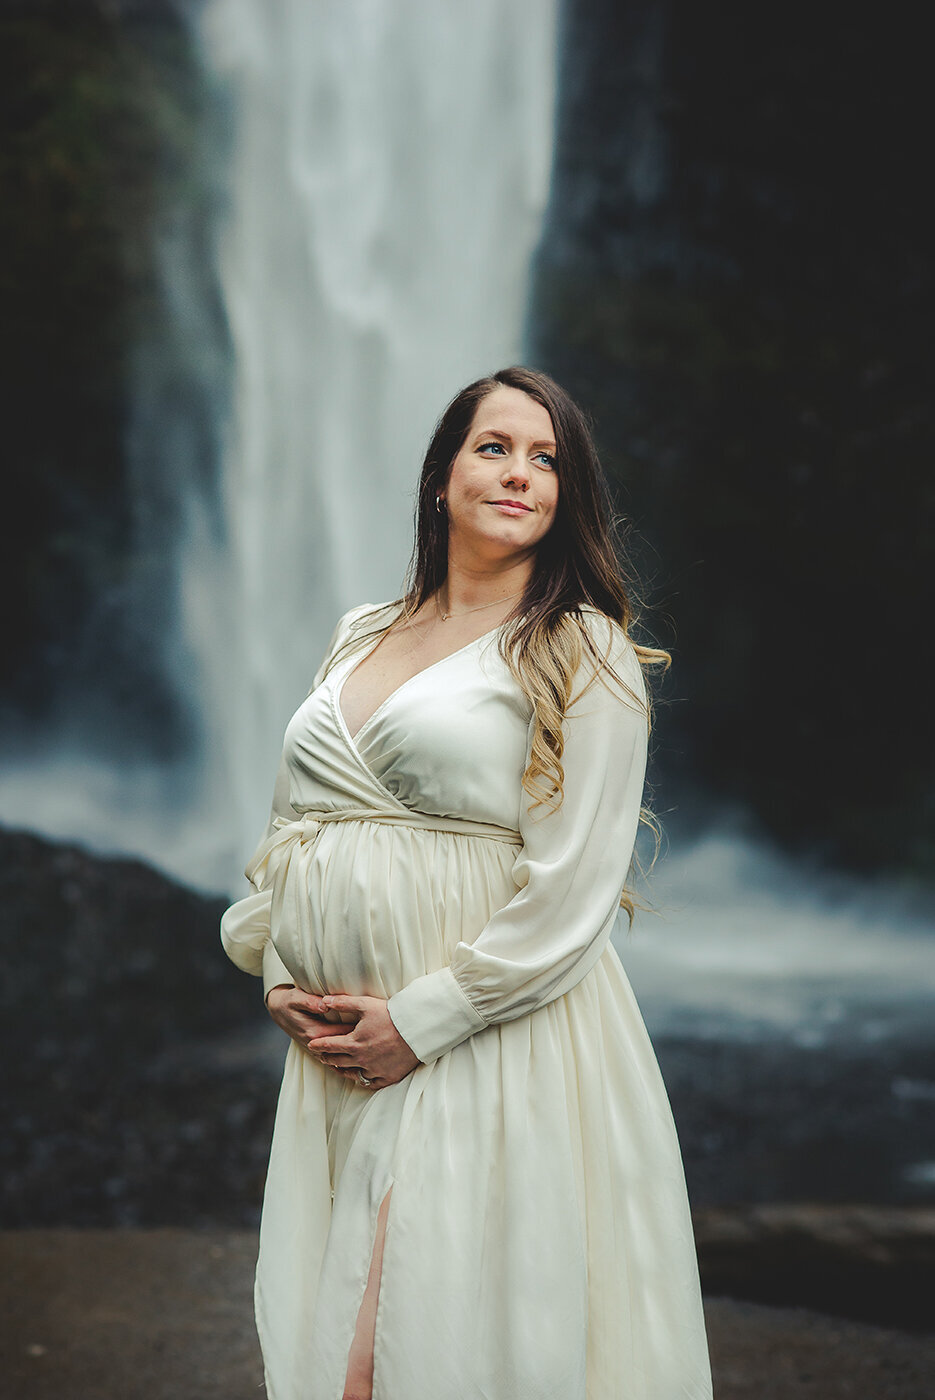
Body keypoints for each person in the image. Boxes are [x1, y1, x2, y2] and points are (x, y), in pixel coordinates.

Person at [220, 366, 713, 1400]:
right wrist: (270, 959)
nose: (519, 474)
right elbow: (295, 821)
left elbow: (574, 885)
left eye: (547, 460)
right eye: (494, 447)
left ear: (567, 496)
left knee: (389, 1355)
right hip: (337, 1047)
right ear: (441, 475)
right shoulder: (361, 628)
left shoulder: (584, 650)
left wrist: (425, 1015)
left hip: (482, 1039)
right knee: (333, 1348)